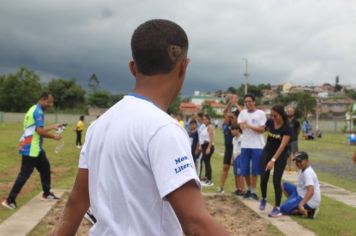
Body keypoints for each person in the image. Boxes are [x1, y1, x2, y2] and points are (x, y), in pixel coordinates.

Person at [53, 19, 229, 236]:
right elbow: (195, 224)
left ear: (133, 68)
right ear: (184, 66)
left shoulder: (99, 125)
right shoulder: (163, 129)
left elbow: (75, 204)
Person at [2, 92, 62, 210]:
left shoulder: (33, 108)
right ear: (43, 100)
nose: (51, 105)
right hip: (31, 148)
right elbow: (40, 132)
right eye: (49, 102)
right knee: (24, 174)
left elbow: (36, 129)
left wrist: (53, 126)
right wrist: (54, 136)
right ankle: (9, 200)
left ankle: (46, 193)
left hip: (34, 147)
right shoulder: (38, 111)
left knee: (45, 167)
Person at [259, 105, 292, 217]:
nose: (273, 117)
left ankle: (277, 207)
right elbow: (262, 129)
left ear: (281, 114)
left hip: (281, 155)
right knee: (263, 177)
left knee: (276, 180)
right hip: (267, 151)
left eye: (275, 115)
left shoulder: (287, 127)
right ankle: (263, 198)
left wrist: (273, 160)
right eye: (271, 115)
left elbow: (282, 146)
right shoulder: (269, 122)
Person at [237, 93, 266, 200]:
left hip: (257, 145)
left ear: (254, 102)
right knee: (244, 170)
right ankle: (249, 189)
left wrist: (249, 126)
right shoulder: (243, 113)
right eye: (246, 102)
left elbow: (262, 129)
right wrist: (243, 125)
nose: (248, 103)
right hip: (245, 145)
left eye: (250, 101)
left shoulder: (260, 113)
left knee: (255, 170)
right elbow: (241, 125)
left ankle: (253, 191)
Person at [280, 151, 321, 219]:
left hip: (310, 200)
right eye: (296, 161)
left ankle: (309, 211)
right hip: (300, 193)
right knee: (284, 185)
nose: (298, 163)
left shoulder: (308, 173)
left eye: (300, 161)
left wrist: (301, 204)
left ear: (307, 161)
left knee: (283, 209)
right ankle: (293, 203)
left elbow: (311, 191)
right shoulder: (302, 169)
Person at [217, 97, 241, 193]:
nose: (229, 118)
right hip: (228, 150)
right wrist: (230, 103)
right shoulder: (225, 125)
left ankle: (238, 188)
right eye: (229, 116)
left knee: (237, 171)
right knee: (225, 168)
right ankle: (221, 187)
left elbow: (242, 112)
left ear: (236, 118)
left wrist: (236, 104)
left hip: (236, 151)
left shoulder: (237, 126)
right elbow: (225, 111)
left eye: (232, 117)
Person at [198, 114, 215, 186]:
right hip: (204, 146)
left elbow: (211, 138)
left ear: (209, 120)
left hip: (208, 146)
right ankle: (206, 177)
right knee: (206, 162)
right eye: (203, 119)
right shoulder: (205, 127)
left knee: (207, 163)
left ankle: (209, 179)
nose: (204, 120)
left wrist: (208, 148)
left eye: (205, 119)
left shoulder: (210, 127)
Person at [231, 124, 245, 196]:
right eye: (231, 130)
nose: (232, 131)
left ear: (238, 130)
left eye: (233, 130)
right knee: (236, 174)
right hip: (235, 157)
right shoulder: (234, 139)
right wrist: (232, 159)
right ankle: (237, 188)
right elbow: (233, 149)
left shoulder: (242, 137)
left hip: (240, 156)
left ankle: (242, 189)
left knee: (240, 174)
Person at [286, 106, 300, 171]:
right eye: (288, 111)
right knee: (288, 153)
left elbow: (298, 130)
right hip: (286, 139)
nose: (289, 112)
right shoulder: (285, 120)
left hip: (294, 139)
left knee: (295, 153)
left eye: (291, 111)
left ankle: (296, 166)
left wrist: (294, 135)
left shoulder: (296, 121)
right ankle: (289, 167)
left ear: (293, 112)